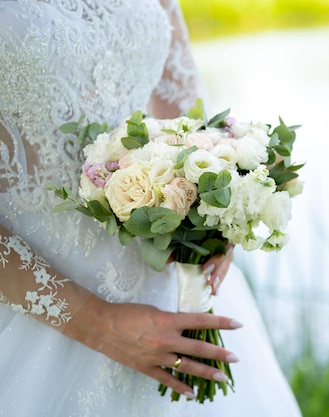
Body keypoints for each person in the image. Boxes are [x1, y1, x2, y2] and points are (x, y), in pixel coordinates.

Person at [0, 1, 302, 416]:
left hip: (171, 280)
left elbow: (191, 118)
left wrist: (218, 208)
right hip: (34, 299)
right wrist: (101, 324)